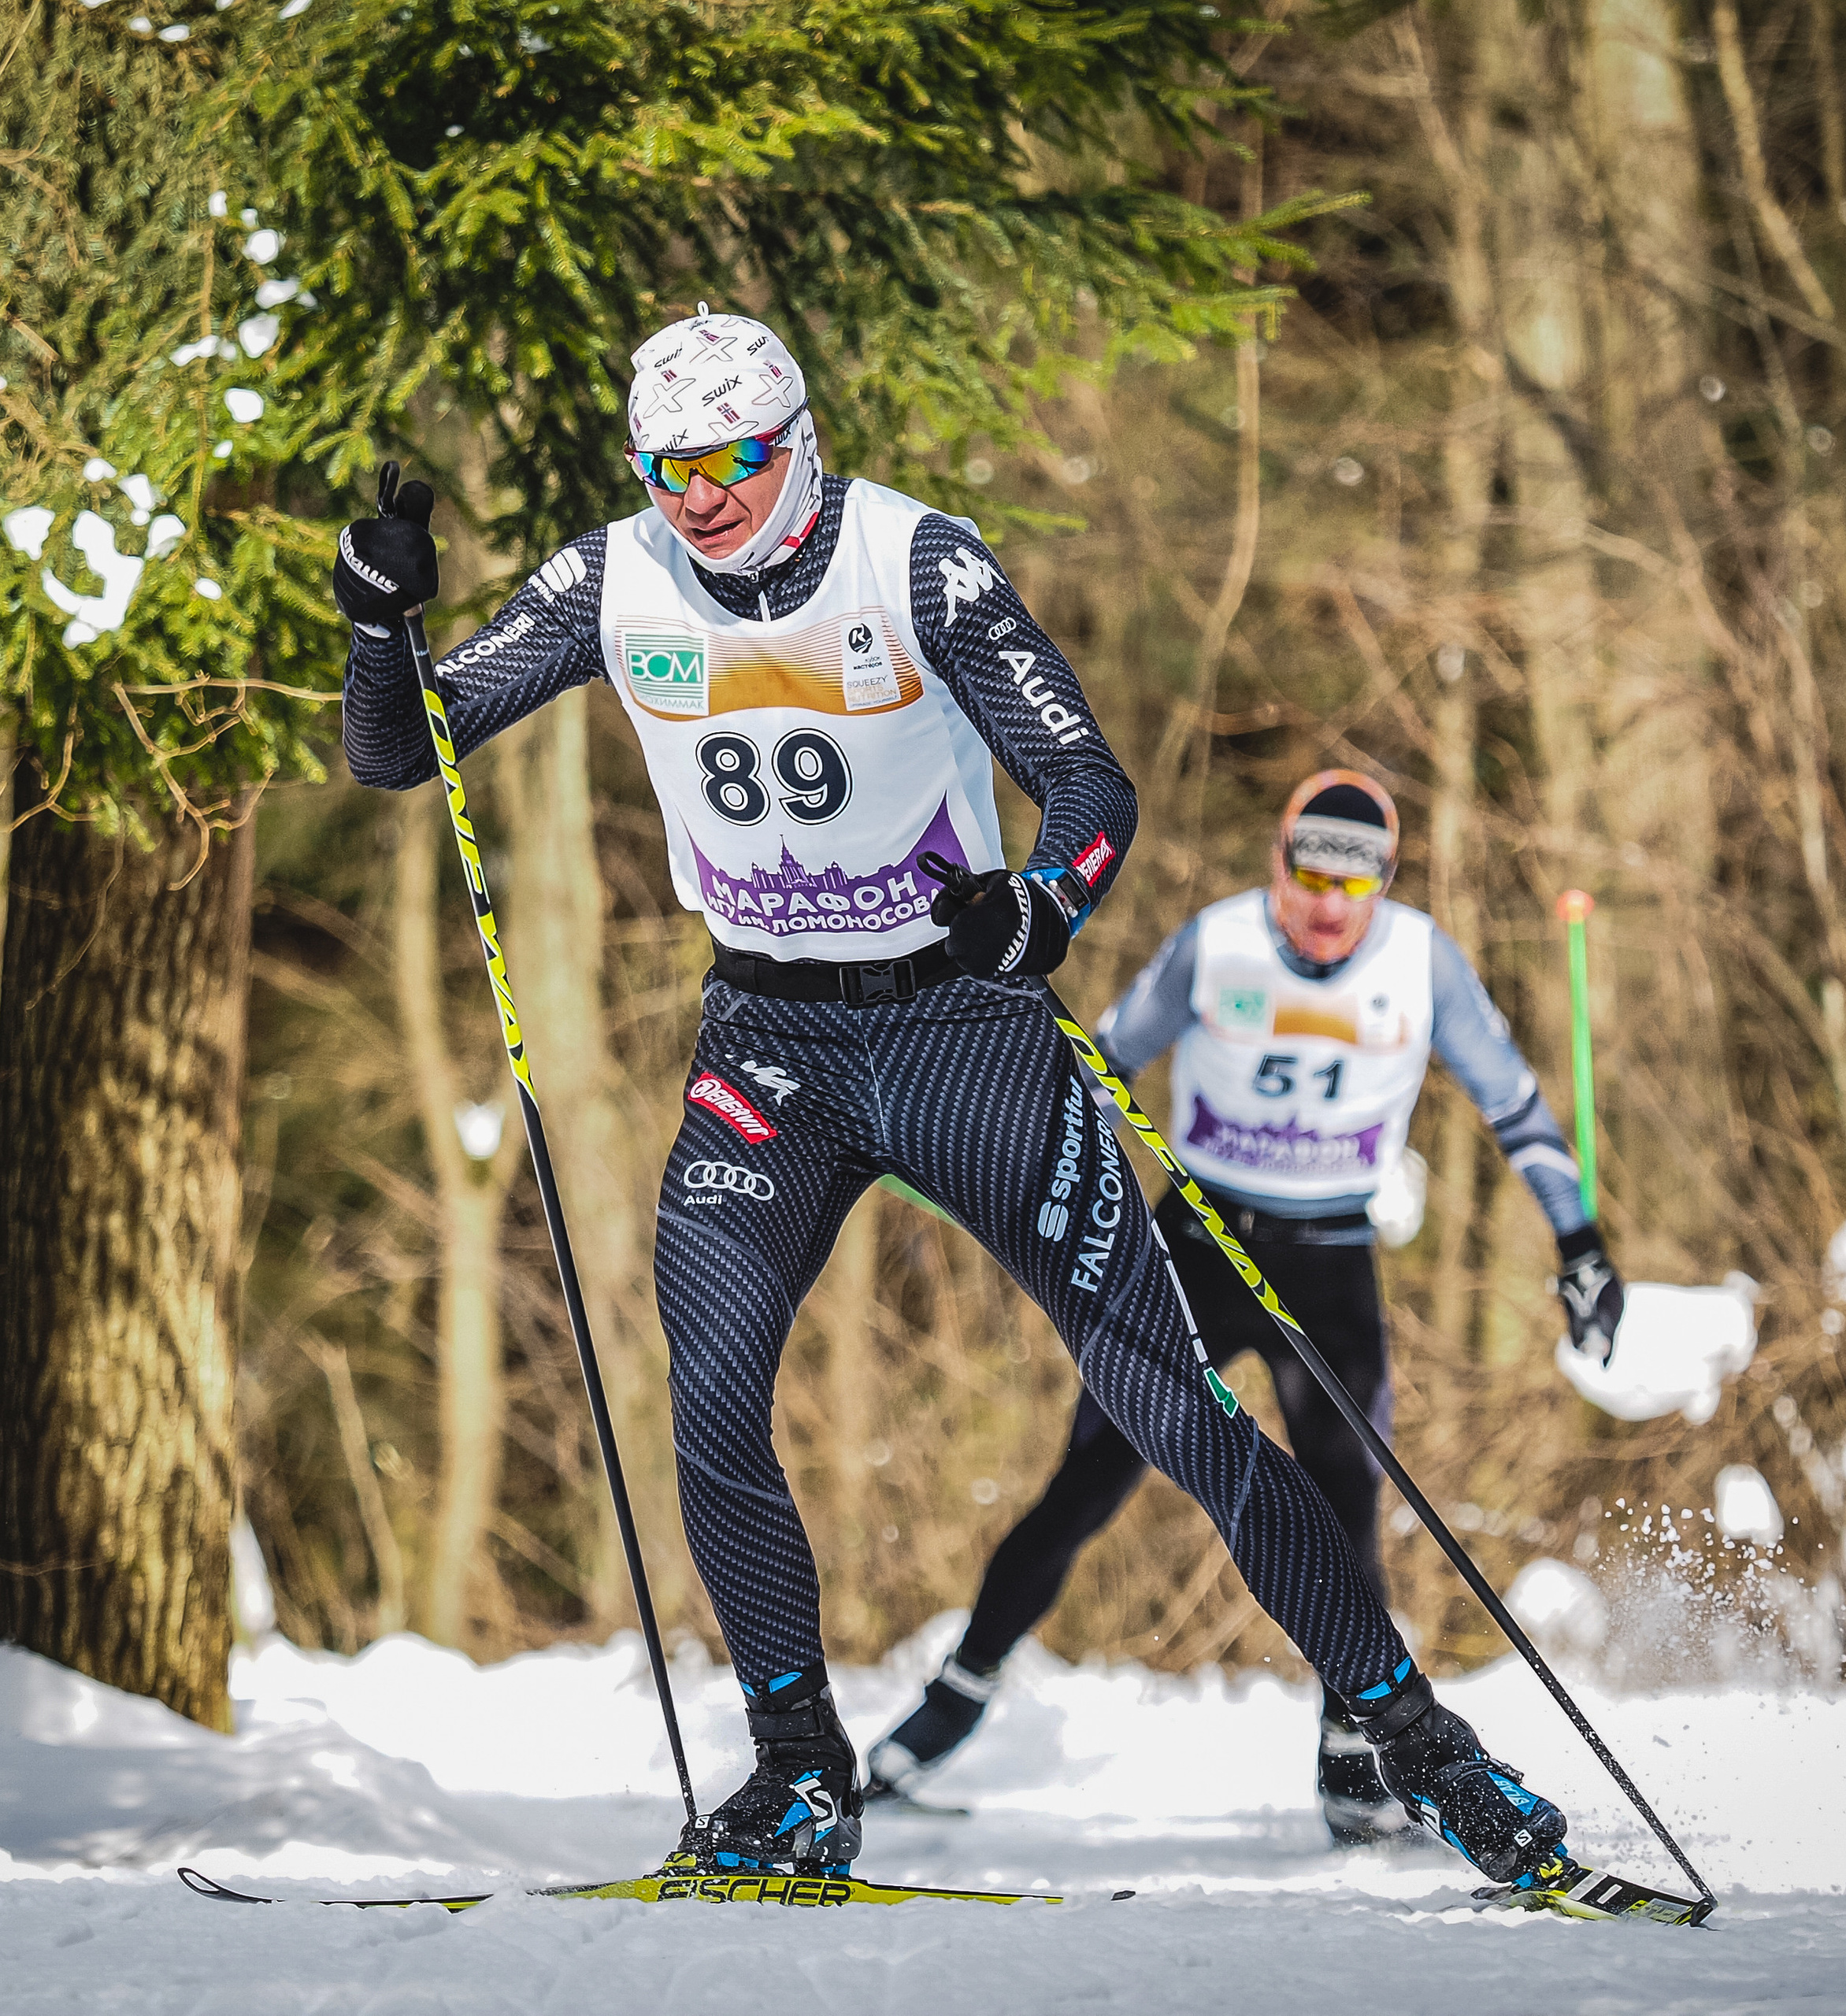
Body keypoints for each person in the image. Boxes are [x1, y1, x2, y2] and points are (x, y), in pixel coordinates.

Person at [334, 306, 1591, 1897]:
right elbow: (404, 755)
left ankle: (1423, 1748)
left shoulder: (914, 562)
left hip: (961, 1034)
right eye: (666, 469)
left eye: (728, 462)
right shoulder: (611, 579)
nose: (698, 498)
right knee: (709, 1398)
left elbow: (1089, 787)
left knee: (1168, 1406)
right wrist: (377, 626)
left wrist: (1039, 908)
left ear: (794, 444)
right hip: (769, 1044)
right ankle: (800, 1774)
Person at [866, 771, 1626, 1844]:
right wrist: (988, 1145)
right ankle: (953, 1700)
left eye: (1354, 884)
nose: (1326, 906)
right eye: (1309, 875)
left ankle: (1353, 1755)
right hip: (1199, 1242)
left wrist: (1581, 1244)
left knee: (1345, 1506)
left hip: (1331, 1259)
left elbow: (1517, 1107)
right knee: (1090, 1477)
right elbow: (1098, 1066)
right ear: (1278, 861)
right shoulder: (1216, 944)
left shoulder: (1421, 963)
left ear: (1385, 883)